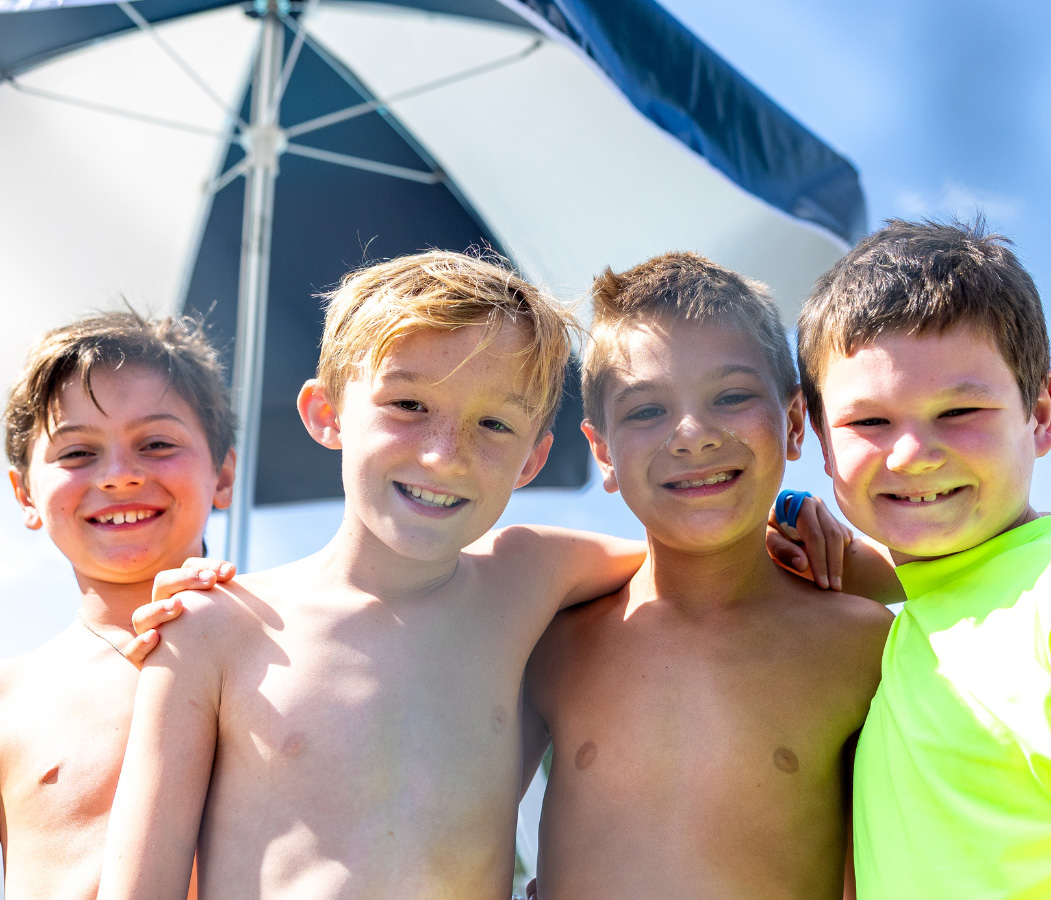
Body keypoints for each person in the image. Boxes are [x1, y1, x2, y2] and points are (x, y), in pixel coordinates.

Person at [95, 251, 666, 899]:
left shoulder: (529, 577)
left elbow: (696, 557)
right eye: (409, 404)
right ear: (327, 414)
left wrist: (794, 526)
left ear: (532, 460)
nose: (443, 454)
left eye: (494, 423)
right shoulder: (212, 626)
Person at [797, 218, 1051, 899]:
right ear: (817, 439)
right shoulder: (903, 630)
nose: (911, 454)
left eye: (959, 412)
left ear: (1039, 414)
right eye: (869, 422)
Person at [523, 252, 895, 899]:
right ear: (604, 452)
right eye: (646, 411)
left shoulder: (863, 645)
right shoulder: (551, 640)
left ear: (796, 422)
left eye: (730, 397)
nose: (692, 435)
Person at [0, 311, 236, 900]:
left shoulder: (298, 644)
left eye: (156, 444)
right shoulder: (9, 699)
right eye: (77, 453)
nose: (119, 476)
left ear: (224, 474)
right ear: (25, 494)